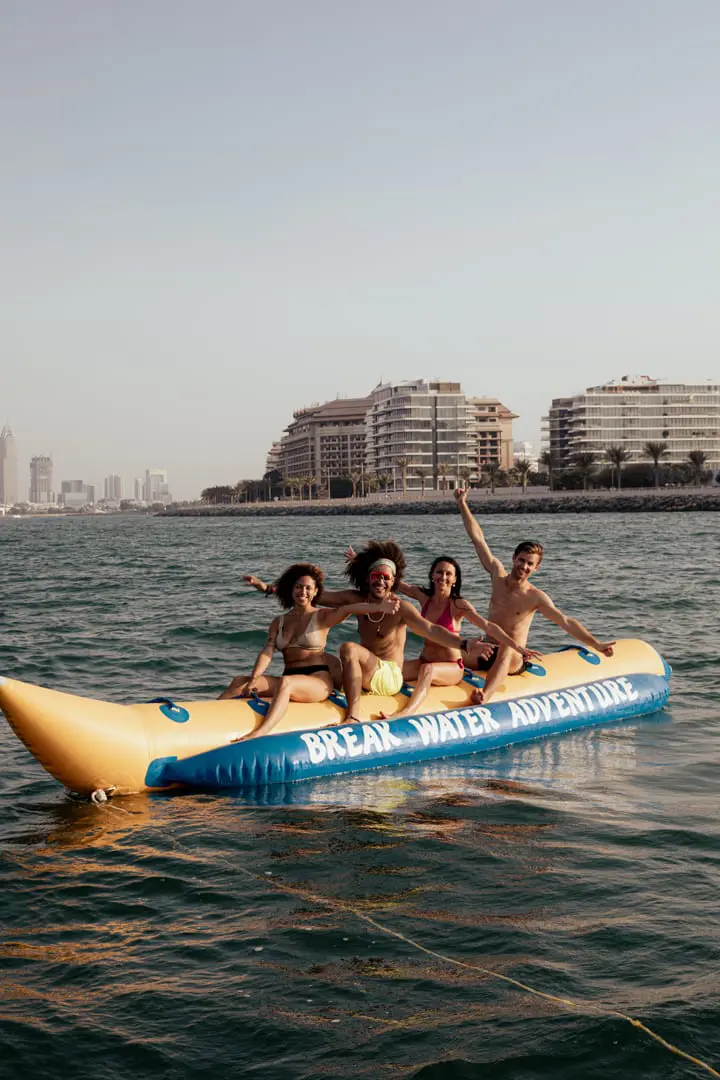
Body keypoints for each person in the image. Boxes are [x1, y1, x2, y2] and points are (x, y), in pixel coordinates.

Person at [254, 540, 530, 724]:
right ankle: (288, 694)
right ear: (368, 579)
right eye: (376, 577)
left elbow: (433, 630)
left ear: (393, 582)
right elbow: (314, 596)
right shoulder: (354, 599)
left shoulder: (402, 608)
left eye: (386, 578)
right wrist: (270, 589)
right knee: (324, 660)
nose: (380, 582)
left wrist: (465, 643)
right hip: (365, 672)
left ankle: (353, 715)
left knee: (348, 648)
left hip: (388, 676)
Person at [454, 488, 616, 704]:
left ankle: (486, 695)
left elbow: (566, 622)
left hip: (512, 657)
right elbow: (478, 540)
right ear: (514, 558)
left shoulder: (535, 597)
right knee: (450, 647)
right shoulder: (497, 575)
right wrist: (461, 503)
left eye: (530, 563)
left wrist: (596, 644)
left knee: (506, 645)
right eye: (521, 560)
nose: (524, 566)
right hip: (487, 649)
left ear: (536, 568)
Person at [350, 550, 540, 720]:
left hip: (451, 667)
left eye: (449, 573)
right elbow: (393, 581)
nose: (443, 576)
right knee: (390, 673)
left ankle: (405, 713)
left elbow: (488, 626)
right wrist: (361, 563)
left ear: (455, 579)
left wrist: (517, 647)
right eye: (439, 572)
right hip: (423, 660)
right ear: (432, 576)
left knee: (428, 671)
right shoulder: (424, 597)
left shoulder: (458, 605)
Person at [219, 562, 399, 738]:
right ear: (291, 589)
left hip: (318, 681)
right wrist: (254, 678)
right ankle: (206, 716)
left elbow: (348, 608)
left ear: (315, 592)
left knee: (286, 683)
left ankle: (260, 732)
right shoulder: (279, 621)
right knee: (239, 682)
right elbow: (267, 652)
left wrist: (379, 607)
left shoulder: (321, 616)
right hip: (290, 676)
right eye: (298, 587)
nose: (302, 592)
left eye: (307, 588)